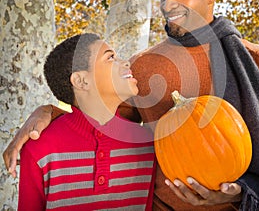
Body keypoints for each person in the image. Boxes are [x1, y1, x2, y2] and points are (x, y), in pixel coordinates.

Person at [3, 0, 259, 211]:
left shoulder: (258, 61)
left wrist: (240, 191)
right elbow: (104, 121)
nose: (167, 5)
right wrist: (49, 112)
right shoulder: (143, 66)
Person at [17, 33, 156, 210]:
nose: (126, 62)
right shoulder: (39, 149)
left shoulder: (147, 144)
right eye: (110, 57)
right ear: (81, 81)